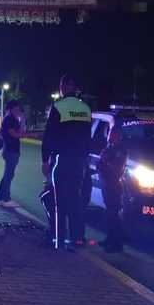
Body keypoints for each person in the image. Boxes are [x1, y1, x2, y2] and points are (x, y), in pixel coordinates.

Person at [41, 75, 92, 251]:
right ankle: (77, 239)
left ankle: (58, 240)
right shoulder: (85, 108)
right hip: (79, 161)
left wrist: (45, 159)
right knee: (76, 200)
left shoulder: (58, 106)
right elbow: (88, 138)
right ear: (75, 87)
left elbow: (49, 136)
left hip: (62, 159)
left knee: (59, 201)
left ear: (62, 87)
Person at [98, 126, 128, 252]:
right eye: (110, 133)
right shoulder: (109, 148)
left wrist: (106, 159)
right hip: (106, 183)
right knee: (109, 214)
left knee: (114, 215)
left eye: (113, 134)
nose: (110, 136)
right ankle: (110, 238)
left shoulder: (120, 150)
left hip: (114, 185)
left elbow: (117, 167)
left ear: (118, 136)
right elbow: (101, 163)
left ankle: (117, 244)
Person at [0, 100, 24, 207]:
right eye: (16, 109)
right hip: (10, 150)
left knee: (9, 174)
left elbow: (19, 132)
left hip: (11, 149)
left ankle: (1, 197)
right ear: (11, 109)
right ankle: (5, 198)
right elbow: (15, 134)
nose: (19, 111)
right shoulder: (9, 120)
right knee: (8, 174)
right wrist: (22, 132)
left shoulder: (13, 119)